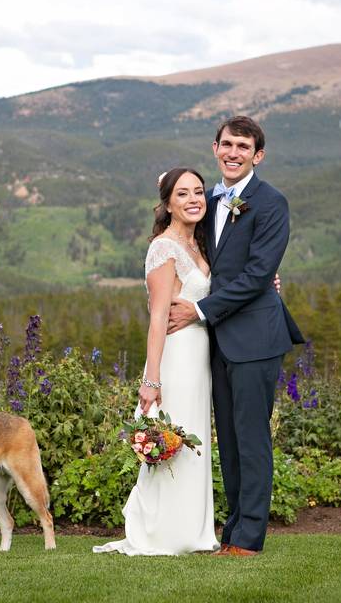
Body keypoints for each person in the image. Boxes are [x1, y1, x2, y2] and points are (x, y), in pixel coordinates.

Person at [167, 115, 304, 557]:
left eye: (242, 147)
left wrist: (199, 309)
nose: (232, 152)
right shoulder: (205, 200)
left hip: (256, 339)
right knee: (227, 438)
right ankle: (231, 530)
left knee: (251, 438)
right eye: (226, 144)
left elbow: (258, 273)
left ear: (257, 155)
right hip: (216, 339)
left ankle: (249, 538)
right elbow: (190, 250)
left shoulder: (272, 202)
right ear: (214, 148)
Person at [93, 167, 221, 556]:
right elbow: (157, 317)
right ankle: (167, 534)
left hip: (200, 358)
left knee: (194, 439)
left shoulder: (201, 245)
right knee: (175, 439)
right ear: (167, 204)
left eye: (199, 191)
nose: (194, 199)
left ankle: (195, 531)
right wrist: (151, 379)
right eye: (182, 194)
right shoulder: (163, 248)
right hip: (176, 357)